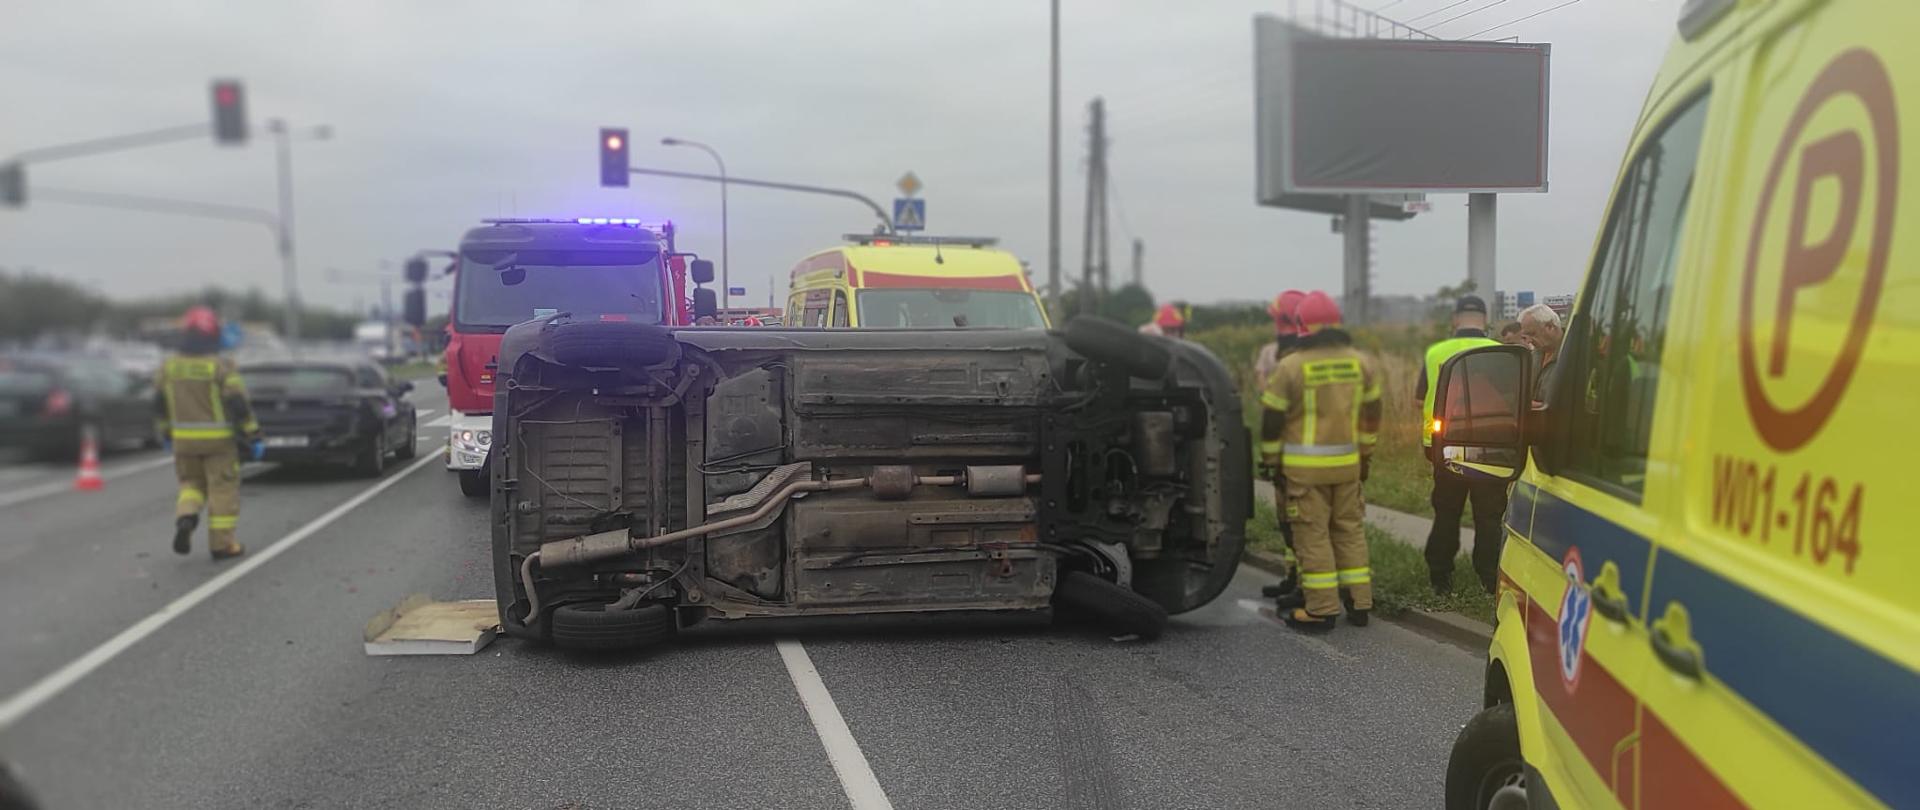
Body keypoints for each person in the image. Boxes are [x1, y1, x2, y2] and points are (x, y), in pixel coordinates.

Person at [1259, 291, 1381, 632]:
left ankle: (1321, 609)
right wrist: (1366, 453)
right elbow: (1373, 412)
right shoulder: (1362, 362)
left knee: (1313, 537)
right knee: (1350, 531)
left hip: (1304, 472)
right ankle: (1360, 602)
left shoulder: (1291, 366)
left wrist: (1270, 459)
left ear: (1302, 326)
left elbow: (1272, 419)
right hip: (1348, 466)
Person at [154, 306, 262, 561]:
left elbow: (159, 404)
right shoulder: (220, 367)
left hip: (183, 441)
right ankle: (222, 545)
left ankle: (186, 517)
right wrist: (253, 434)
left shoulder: (168, 368)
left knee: (191, 485)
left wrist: (166, 434)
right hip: (219, 442)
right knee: (222, 489)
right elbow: (237, 404)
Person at [1415, 295, 1503, 594]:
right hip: (1492, 448)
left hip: (1445, 447)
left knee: (1447, 512)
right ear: (1485, 319)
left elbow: (1420, 400)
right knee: (1489, 516)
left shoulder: (1436, 353)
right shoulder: (1501, 353)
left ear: (1455, 319)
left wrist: (1432, 437)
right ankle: (1489, 579)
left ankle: (1440, 577)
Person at [1254, 289, 1305, 607]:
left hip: (1294, 452)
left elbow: (1267, 394)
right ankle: (1294, 576)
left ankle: (1305, 584)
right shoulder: (1317, 353)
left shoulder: (1280, 356)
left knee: (1297, 521)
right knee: (1292, 521)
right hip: (1301, 450)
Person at [1516, 303, 1564, 402]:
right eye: (1525, 336)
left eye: (1532, 334)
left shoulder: (1572, 355)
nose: (1529, 341)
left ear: (1550, 327)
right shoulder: (1533, 357)